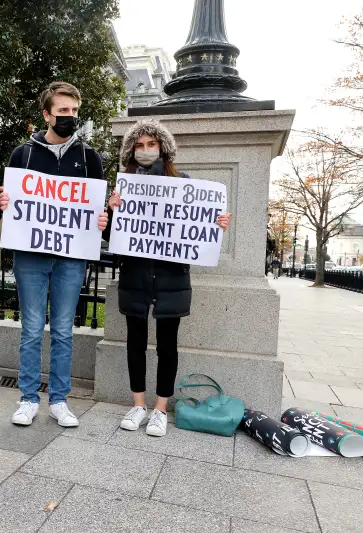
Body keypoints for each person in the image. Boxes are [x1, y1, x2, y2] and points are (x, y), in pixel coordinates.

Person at [108, 119, 231, 437]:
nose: (146, 150)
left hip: (171, 276)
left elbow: (197, 225)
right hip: (135, 273)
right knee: (134, 342)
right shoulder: (125, 186)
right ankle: (138, 405)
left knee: (167, 346)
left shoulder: (184, 183)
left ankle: (160, 409)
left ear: (163, 147)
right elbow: (113, 236)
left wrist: (216, 222)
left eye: (152, 144)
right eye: (140, 145)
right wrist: (112, 213)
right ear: (131, 151)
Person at [0, 82, 110, 428]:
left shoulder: (90, 159)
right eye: (63, 111)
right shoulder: (23, 155)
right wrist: (5, 204)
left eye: (74, 111)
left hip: (71, 258)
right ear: (46, 114)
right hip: (31, 256)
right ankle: (28, 398)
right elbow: (13, 205)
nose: (70, 117)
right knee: (31, 329)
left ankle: (59, 400)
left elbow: (95, 209)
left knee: (63, 330)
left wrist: (103, 218)